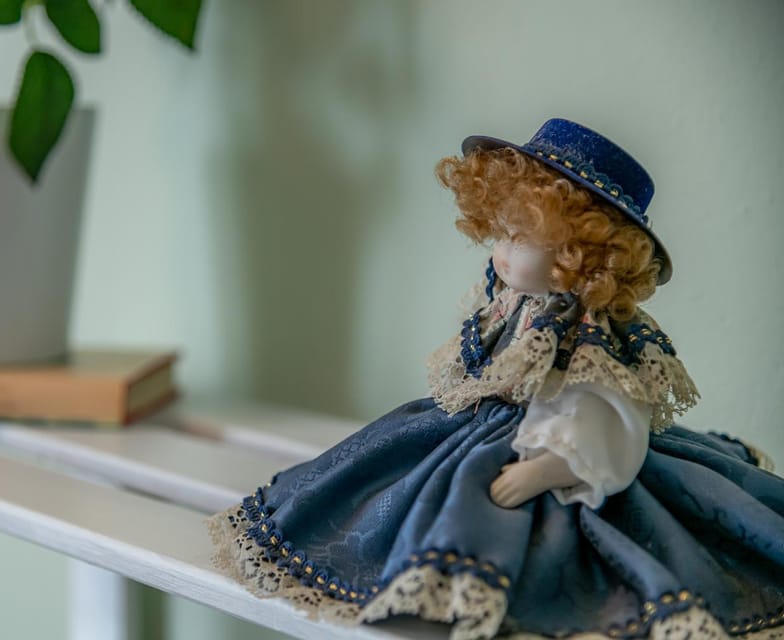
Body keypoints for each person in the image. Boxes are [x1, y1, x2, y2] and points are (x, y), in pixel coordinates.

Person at [204, 118, 784, 640]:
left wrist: (553, 466)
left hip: (553, 456)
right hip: (480, 430)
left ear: (577, 254)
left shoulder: (590, 338)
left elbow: (609, 419)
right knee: (378, 484)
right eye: (499, 235)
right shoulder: (516, 305)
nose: (500, 255)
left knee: (529, 534)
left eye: (518, 239)